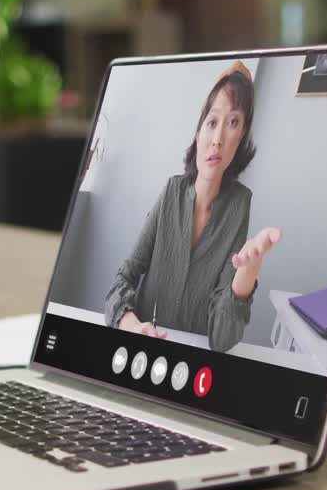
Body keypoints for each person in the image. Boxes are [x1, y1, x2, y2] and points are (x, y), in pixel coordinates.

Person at [105, 61, 282, 352]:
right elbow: (123, 278)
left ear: (241, 140)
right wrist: (133, 326)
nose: (218, 139)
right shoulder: (171, 191)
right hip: (138, 352)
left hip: (191, 365)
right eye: (212, 123)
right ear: (198, 134)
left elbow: (222, 340)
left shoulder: (239, 204)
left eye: (233, 122)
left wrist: (247, 274)